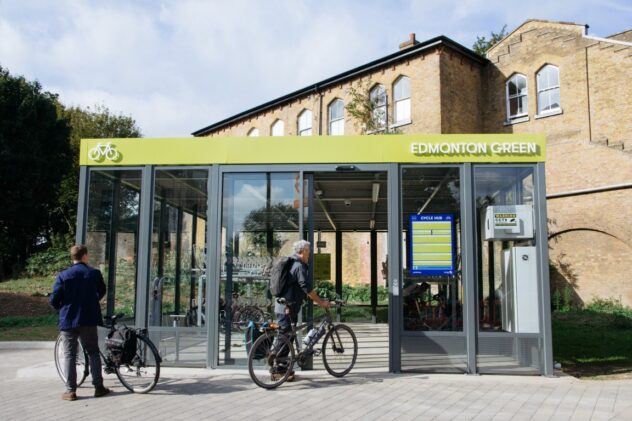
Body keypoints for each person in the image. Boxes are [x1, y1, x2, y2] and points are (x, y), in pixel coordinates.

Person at [49, 245, 110, 401]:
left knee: (70, 354)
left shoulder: (63, 275)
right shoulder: (94, 274)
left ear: (73, 257)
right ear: (84, 256)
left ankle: (71, 391)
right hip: (89, 319)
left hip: (68, 319)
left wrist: (60, 308)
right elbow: (102, 291)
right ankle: (98, 388)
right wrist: (92, 300)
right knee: (93, 352)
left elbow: (54, 299)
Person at [273, 240, 331, 381]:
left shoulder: (294, 263)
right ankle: (278, 370)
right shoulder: (299, 266)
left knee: (289, 337)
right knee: (285, 337)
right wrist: (322, 302)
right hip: (286, 307)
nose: (310, 252)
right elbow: (308, 289)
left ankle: (284, 370)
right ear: (302, 251)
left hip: (286, 306)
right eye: (308, 250)